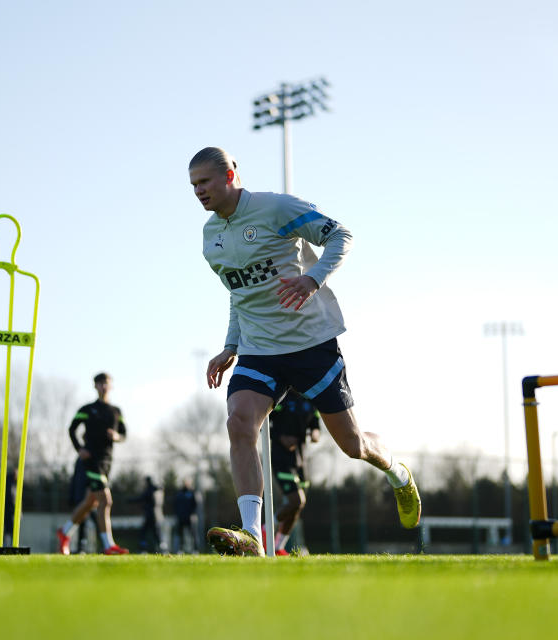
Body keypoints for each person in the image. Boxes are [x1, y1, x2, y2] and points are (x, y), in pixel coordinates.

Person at [189, 147, 421, 556]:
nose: (199, 192)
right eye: (193, 186)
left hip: (311, 343)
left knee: (353, 446)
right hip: (260, 351)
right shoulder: (211, 237)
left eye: (205, 182)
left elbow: (340, 235)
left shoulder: (276, 207)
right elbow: (240, 296)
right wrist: (230, 346)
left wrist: (313, 279)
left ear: (230, 176)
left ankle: (397, 472)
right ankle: (252, 539)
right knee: (239, 423)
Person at [56, 373, 129, 555]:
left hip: (107, 461)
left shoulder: (116, 411)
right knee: (106, 500)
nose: (104, 386)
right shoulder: (87, 409)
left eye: (107, 383)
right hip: (91, 461)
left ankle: (64, 532)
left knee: (90, 502)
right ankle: (108, 545)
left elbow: (124, 434)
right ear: (95, 386)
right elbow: (72, 429)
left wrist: (116, 436)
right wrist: (79, 448)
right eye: (100, 383)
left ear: (111, 386)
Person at [269, 389, 321, 555]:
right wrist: (281, 437)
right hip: (280, 459)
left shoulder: (311, 401)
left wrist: (314, 434)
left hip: (300, 460)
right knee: (296, 501)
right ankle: (265, 530)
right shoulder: (280, 398)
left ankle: (278, 547)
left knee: (298, 506)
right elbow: (262, 424)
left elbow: (316, 427)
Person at [68, 456, 101, 553]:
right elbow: (75, 478)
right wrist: (72, 495)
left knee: (96, 520)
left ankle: (103, 543)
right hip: (81, 496)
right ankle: (81, 546)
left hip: (89, 495)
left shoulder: (91, 457)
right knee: (82, 522)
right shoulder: (79, 460)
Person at [172, 478, 198, 553]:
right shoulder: (179, 493)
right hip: (181, 517)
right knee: (180, 534)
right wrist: (176, 515)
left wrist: (193, 515)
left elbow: (195, 505)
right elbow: (175, 505)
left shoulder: (192, 493)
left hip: (189, 517)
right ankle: (180, 549)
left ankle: (195, 550)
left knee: (193, 534)